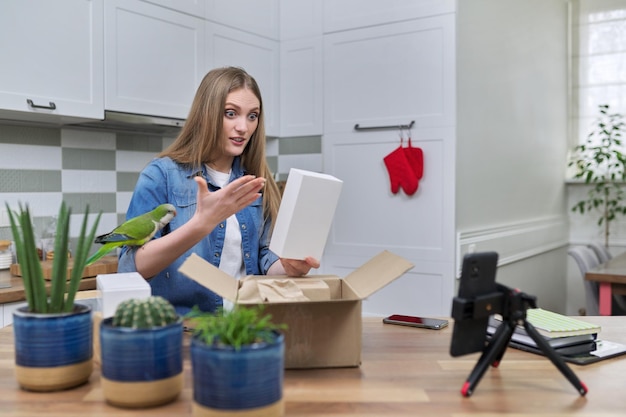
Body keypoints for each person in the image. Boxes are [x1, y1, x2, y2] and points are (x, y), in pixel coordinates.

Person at [118, 66, 319, 314]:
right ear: (207, 114)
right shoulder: (161, 176)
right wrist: (201, 224)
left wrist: (289, 266)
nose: (243, 127)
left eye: (252, 116)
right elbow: (131, 268)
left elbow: (264, 258)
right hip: (186, 328)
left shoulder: (255, 180)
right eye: (231, 113)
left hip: (246, 325)